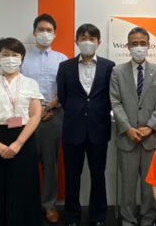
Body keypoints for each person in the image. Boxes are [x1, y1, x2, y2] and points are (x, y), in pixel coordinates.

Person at [0, 37, 44, 226]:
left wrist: (18, 143)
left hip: (23, 140)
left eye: (15, 55)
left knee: (22, 188)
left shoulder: (31, 84)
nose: (10, 58)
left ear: (21, 58)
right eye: (5, 54)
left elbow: (36, 115)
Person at [56, 23, 115, 226]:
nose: (87, 42)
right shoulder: (65, 67)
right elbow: (63, 97)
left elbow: (111, 96)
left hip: (99, 128)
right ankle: (72, 217)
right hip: (73, 129)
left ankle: (98, 216)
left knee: (98, 176)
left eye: (92, 38)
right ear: (76, 41)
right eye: (83, 38)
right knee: (72, 177)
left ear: (98, 43)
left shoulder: (109, 66)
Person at [110, 27, 156, 226]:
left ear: (148, 46)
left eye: (142, 43)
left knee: (149, 185)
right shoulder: (117, 71)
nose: (138, 47)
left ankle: (148, 220)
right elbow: (115, 102)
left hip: (151, 139)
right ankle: (128, 220)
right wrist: (127, 128)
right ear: (127, 47)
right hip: (127, 137)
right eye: (134, 43)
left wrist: (150, 126)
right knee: (127, 185)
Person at [19, 13, 68, 224]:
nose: (45, 33)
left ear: (54, 34)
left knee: (50, 162)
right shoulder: (22, 57)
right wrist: (37, 108)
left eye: (49, 30)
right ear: (34, 32)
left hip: (53, 115)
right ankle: (27, 204)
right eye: (41, 29)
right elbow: (17, 85)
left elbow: (65, 89)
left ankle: (49, 206)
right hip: (27, 114)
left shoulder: (62, 59)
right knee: (26, 162)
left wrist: (48, 106)